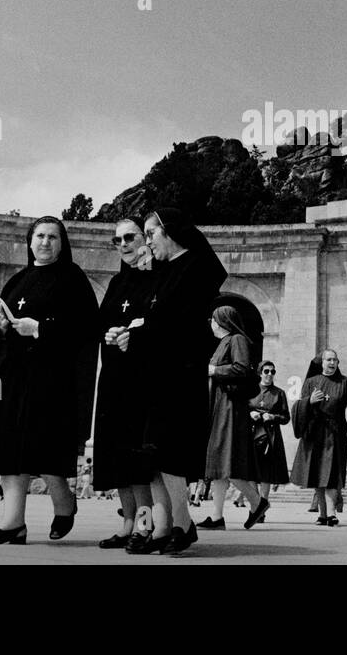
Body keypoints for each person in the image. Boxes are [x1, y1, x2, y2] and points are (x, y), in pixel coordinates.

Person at [0, 216, 100, 545]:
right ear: (30, 241)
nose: (45, 242)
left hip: (49, 377)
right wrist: (2, 327)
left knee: (41, 447)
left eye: (52, 237)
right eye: (39, 236)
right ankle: (13, 522)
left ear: (62, 243)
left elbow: (85, 329)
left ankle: (64, 501)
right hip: (8, 376)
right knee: (8, 443)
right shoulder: (16, 280)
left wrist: (40, 328)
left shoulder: (72, 279)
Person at [112, 208, 227, 555]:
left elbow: (180, 323)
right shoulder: (164, 271)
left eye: (150, 233)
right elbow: (152, 316)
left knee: (169, 453)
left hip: (180, 374)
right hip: (156, 374)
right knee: (155, 455)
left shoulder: (196, 267)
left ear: (170, 231)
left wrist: (140, 332)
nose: (147, 241)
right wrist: (131, 331)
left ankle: (183, 522)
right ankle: (167, 526)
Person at [93, 218, 156, 550]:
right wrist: (109, 333)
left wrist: (135, 333)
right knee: (115, 452)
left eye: (129, 237)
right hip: (113, 375)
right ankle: (128, 521)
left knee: (136, 456)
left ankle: (145, 526)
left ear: (144, 239)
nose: (123, 244)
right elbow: (102, 322)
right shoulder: (117, 282)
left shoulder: (157, 277)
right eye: (117, 240)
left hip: (140, 378)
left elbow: (160, 321)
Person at [199, 305, 267, 530]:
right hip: (220, 406)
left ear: (222, 322)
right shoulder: (224, 342)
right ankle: (217, 517)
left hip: (230, 407)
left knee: (225, 461)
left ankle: (257, 501)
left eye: (214, 319)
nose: (211, 322)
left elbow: (241, 368)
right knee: (219, 462)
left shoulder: (237, 339)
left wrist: (213, 371)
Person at [290, 350, 347, 525]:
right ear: (322, 362)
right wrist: (309, 401)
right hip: (315, 433)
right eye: (329, 360)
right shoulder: (311, 382)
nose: (332, 363)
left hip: (335, 433)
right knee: (317, 474)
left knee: (332, 474)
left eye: (335, 360)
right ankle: (323, 513)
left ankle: (332, 513)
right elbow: (298, 406)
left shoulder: (345, 382)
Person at [248, 360, 290, 519]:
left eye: (273, 372)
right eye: (266, 371)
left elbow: (286, 417)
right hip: (251, 434)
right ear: (260, 373)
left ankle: (262, 507)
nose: (270, 375)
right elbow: (241, 409)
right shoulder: (251, 390)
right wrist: (250, 414)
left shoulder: (279, 393)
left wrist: (272, 416)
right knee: (251, 473)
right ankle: (255, 504)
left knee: (265, 474)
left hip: (270, 436)